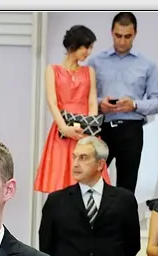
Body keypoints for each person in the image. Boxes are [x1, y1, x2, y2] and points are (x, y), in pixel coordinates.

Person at [87, 12, 158, 193]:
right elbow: (82, 96)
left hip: (131, 129)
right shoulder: (95, 61)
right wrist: (100, 104)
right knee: (91, 180)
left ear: (135, 34)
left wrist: (135, 105)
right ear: (111, 32)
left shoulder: (147, 64)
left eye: (127, 36)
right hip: (101, 127)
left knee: (127, 187)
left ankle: (122, 213)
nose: (122, 41)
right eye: (118, 35)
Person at [32, 25, 108, 195]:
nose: (88, 52)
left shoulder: (89, 71)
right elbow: (52, 102)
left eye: (90, 47)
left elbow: (92, 101)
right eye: (86, 47)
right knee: (61, 180)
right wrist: (64, 128)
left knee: (89, 178)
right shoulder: (52, 70)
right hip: (62, 132)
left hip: (86, 131)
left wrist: (90, 130)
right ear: (74, 45)